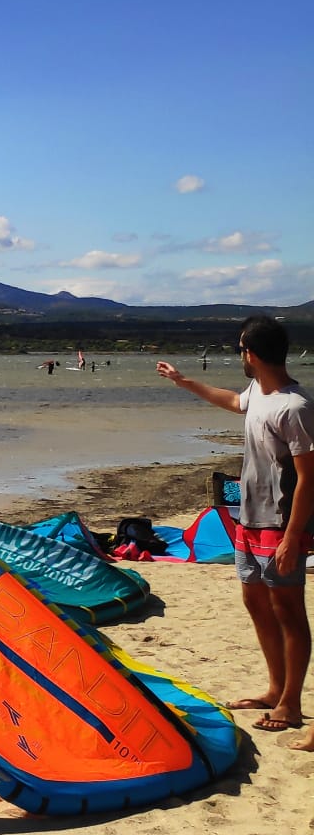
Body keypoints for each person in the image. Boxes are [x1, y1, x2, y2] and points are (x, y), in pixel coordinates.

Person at [158, 315, 313, 743]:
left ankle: (292, 703)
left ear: (253, 354)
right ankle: (275, 688)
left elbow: (308, 478)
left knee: (288, 613)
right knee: (256, 603)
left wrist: (292, 536)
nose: (240, 355)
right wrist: (184, 382)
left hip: (279, 525)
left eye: (241, 348)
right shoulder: (259, 395)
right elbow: (232, 402)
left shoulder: (294, 407)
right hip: (248, 520)